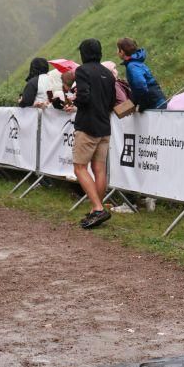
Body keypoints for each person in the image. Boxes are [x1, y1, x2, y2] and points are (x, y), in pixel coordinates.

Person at [72, 39, 115, 229]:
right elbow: (112, 101)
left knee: (79, 167)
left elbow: (84, 96)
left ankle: (97, 209)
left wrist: (75, 100)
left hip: (87, 125)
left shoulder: (82, 71)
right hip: (104, 126)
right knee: (99, 169)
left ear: (83, 53)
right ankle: (96, 209)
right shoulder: (109, 74)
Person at [117, 38, 167, 111]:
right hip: (156, 100)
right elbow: (137, 89)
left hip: (154, 103)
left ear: (122, 51)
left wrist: (142, 106)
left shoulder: (132, 66)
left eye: (117, 49)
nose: (117, 52)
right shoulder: (135, 62)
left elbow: (141, 87)